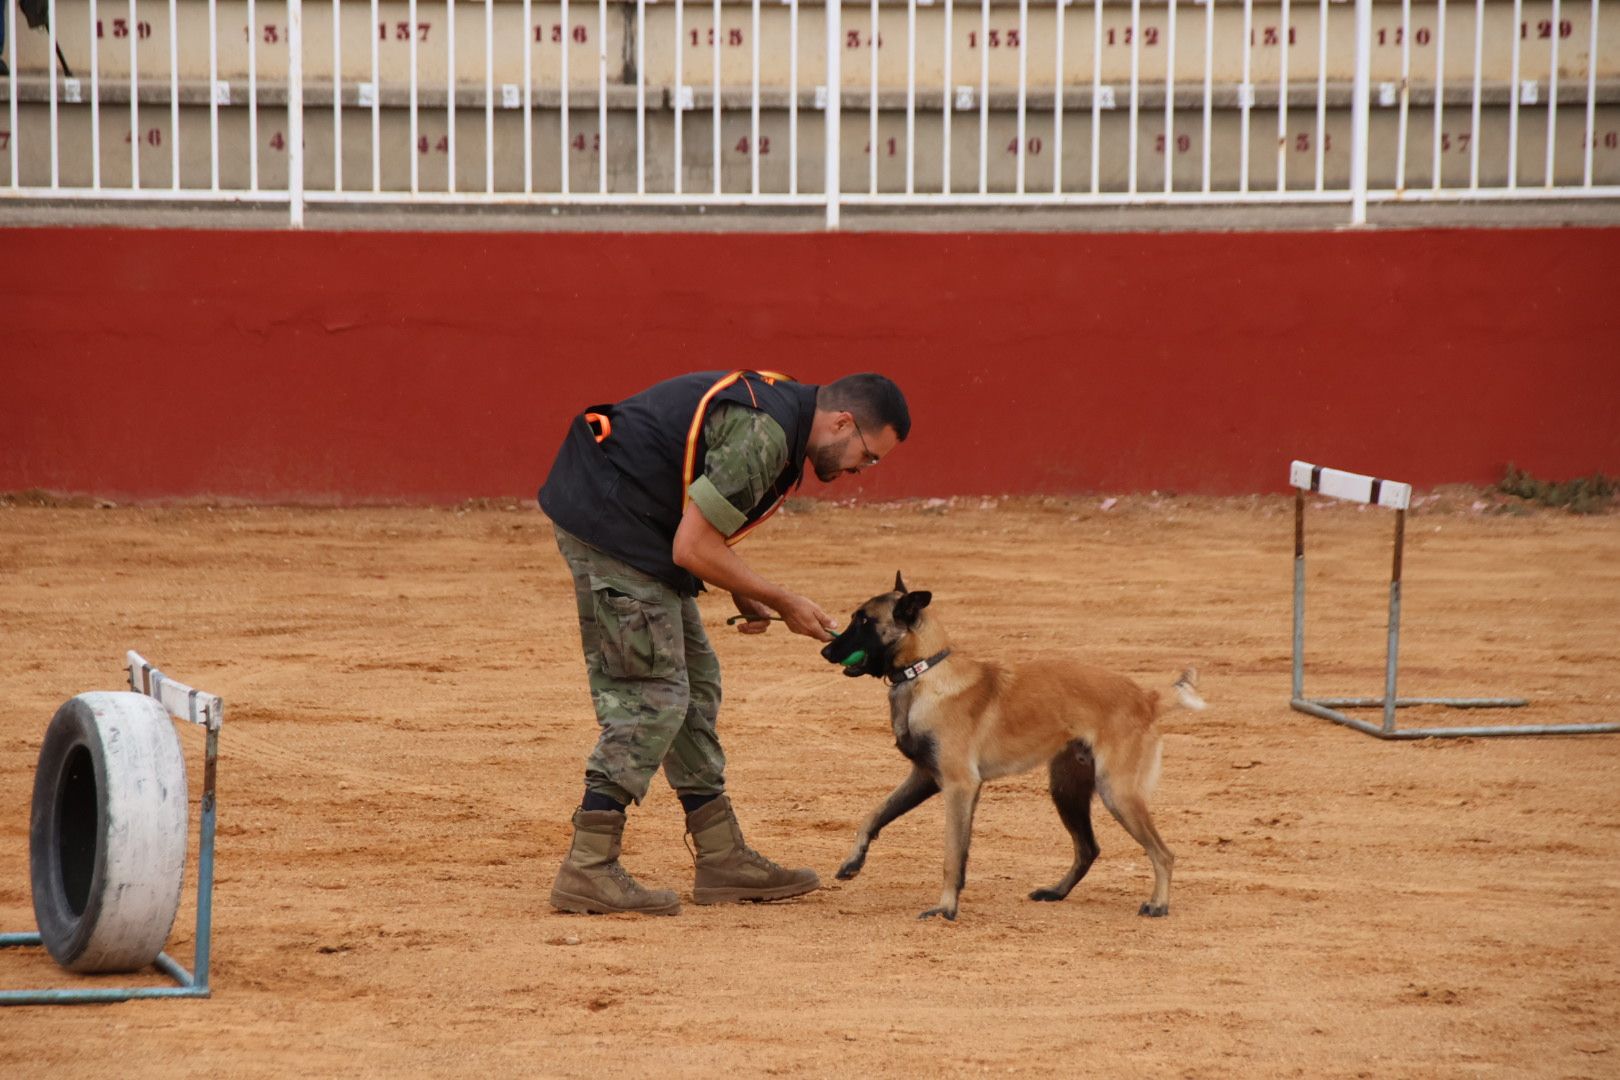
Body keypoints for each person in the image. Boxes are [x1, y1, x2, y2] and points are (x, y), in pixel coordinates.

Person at [538, 369, 910, 915]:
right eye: (868, 454)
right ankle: (588, 867)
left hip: (639, 525)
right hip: (614, 525)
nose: (862, 470)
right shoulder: (768, 434)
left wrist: (741, 589)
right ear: (843, 421)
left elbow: (697, 531)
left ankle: (720, 857)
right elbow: (693, 547)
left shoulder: (786, 417)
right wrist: (781, 598)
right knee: (653, 695)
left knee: (696, 683)